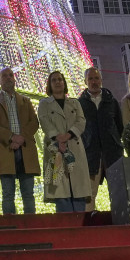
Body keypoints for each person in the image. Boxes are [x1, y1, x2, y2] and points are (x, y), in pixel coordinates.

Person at [0, 67, 41, 214]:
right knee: (8, 194)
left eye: (11, 75)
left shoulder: (26, 101)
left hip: (26, 149)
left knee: (28, 194)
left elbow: (34, 122)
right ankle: (11, 227)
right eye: (5, 76)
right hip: (5, 149)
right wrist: (11, 137)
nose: (9, 78)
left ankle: (31, 228)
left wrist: (21, 137)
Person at [38, 71, 90, 212]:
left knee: (78, 188)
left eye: (60, 79)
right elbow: (45, 121)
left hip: (74, 146)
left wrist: (68, 135)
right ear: (49, 84)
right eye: (54, 80)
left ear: (64, 82)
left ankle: (80, 225)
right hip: (55, 149)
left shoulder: (75, 103)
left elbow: (81, 121)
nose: (57, 82)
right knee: (61, 190)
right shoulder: (44, 104)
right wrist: (58, 138)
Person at [78, 66, 123, 211]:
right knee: (89, 192)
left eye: (96, 78)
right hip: (91, 153)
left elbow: (119, 126)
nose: (94, 81)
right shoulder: (80, 104)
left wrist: (114, 141)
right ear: (85, 81)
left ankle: (121, 220)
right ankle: (90, 224)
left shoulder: (112, 102)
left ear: (101, 80)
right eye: (90, 78)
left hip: (112, 152)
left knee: (117, 190)